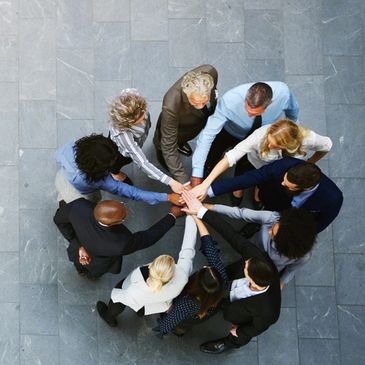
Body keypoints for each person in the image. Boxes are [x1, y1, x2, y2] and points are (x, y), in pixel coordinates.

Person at [181, 191, 281, 354]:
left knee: (231, 332)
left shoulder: (268, 311)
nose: (245, 261)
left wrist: (239, 333)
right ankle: (181, 326)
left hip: (231, 309)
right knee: (193, 314)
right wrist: (201, 211)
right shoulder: (260, 258)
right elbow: (232, 236)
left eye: (247, 267)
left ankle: (226, 344)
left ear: (253, 280)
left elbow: (256, 328)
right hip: (222, 283)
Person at [191, 119, 332, 201]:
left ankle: (258, 188)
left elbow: (327, 146)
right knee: (244, 175)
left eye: (275, 145)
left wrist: (311, 162)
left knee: (269, 184)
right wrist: (205, 184)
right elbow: (230, 156)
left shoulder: (309, 139)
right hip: (255, 164)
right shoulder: (260, 136)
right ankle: (240, 188)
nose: (269, 145)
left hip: (283, 170)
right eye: (269, 140)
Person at [190, 81, 299, 186]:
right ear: (246, 98)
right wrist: (196, 173)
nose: (249, 115)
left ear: (269, 103)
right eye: (247, 110)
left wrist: (292, 131)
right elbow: (207, 135)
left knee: (248, 161)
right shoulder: (229, 101)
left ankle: (238, 182)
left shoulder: (283, 92)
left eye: (254, 113)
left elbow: (293, 112)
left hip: (262, 136)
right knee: (214, 152)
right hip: (230, 132)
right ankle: (207, 169)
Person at [96, 215, 198, 326]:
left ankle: (109, 316)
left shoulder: (135, 286)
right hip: (155, 305)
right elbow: (188, 248)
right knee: (140, 307)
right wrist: (192, 215)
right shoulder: (182, 276)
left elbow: (120, 297)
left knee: (118, 299)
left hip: (136, 298)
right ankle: (139, 313)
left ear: (150, 266)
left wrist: (116, 294)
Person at [53, 198, 183, 279]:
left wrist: (78, 245)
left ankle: (81, 270)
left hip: (78, 251)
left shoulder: (79, 206)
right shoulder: (121, 243)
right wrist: (172, 215)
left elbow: (58, 219)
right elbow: (148, 237)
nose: (126, 211)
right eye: (123, 217)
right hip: (99, 262)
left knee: (79, 264)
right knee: (93, 272)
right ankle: (89, 275)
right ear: (113, 223)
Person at [206, 157, 343, 233]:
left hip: (294, 219)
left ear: (305, 187)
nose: (282, 183)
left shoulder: (333, 198)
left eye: (288, 185)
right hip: (273, 198)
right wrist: (208, 190)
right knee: (266, 212)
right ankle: (258, 223)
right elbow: (250, 178)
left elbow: (319, 225)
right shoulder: (285, 165)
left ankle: (261, 226)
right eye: (284, 179)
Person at [201, 203, 317, 288]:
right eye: (273, 228)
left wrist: (281, 282)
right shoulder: (273, 218)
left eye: (274, 235)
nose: (269, 232)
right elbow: (240, 213)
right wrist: (209, 207)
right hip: (251, 246)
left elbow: (291, 270)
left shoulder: (303, 256)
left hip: (265, 268)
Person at [54, 134, 181, 206]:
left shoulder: (70, 148)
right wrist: (167, 197)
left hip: (61, 178)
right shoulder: (100, 182)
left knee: (63, 192)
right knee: (92, 202)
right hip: (81, 195)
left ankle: (61, 197)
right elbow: (132, 192)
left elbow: (57, 156)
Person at [154, 215, 227, 337]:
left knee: (179, 323)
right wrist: (196, 216)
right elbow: (210, 250)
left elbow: (168, 322)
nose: (206, 266)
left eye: (204, 269)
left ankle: (179, 331)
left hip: (187, 315)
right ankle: (180, 331)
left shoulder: (188, 302)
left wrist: (162, 326)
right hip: (201, 315)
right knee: (184, 324)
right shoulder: (221, 279)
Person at [109, 89, 184, 193]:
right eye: (139, 119)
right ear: (128, 123)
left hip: (137, 140)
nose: (144, 117)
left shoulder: (131, 97)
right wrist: (170, 181)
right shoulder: (123, 135)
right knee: (118, 161)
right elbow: (143, 163)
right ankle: (114, 173)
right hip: (121, 152)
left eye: (143, 113)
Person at [153, 64, 218, 184]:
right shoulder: (171, 104)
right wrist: (183, 181)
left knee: (183, 138)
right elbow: (168, 146)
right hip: (177, 127)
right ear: (186, 94)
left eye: (204, 101)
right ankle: (164, 161)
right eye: (196, 103)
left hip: (192, 127)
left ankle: (181, 143)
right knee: (164, 148)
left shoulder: (211, 72)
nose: (200, 106)